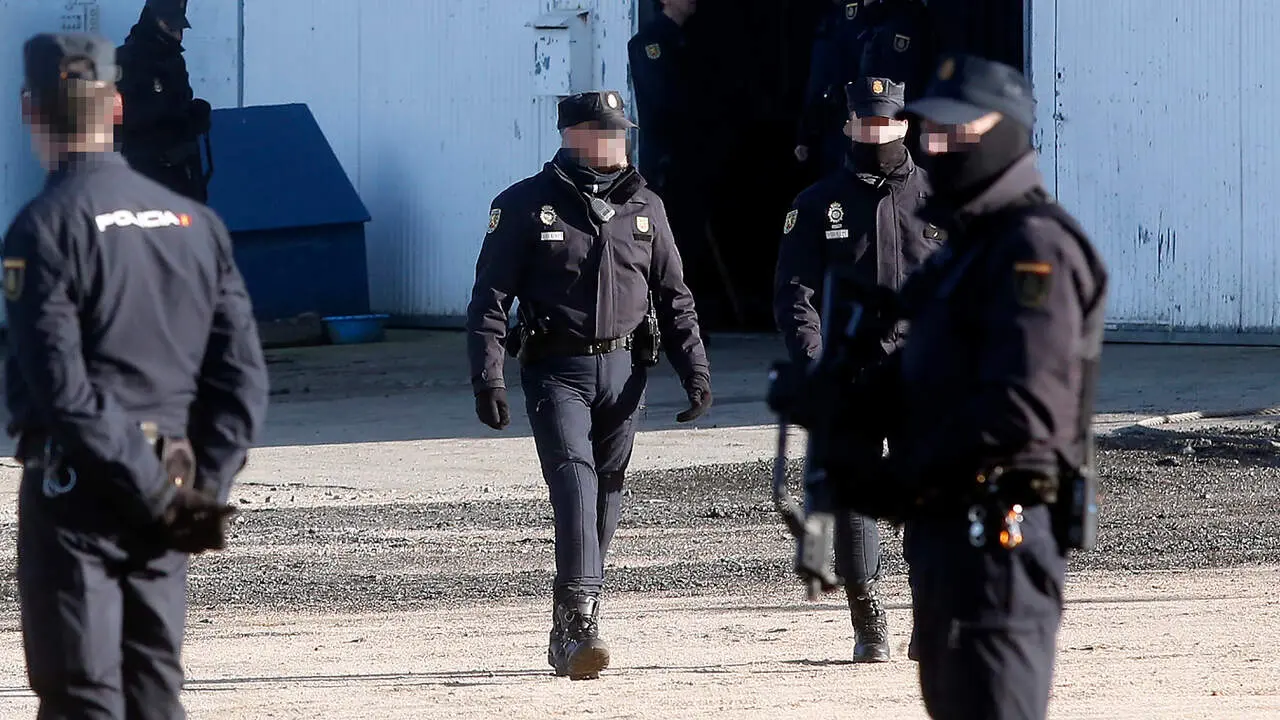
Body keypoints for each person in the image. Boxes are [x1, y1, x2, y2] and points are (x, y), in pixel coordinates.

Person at [5, 32, 269, 718]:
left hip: (79, 496)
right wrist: (196, 487)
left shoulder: (44, 228)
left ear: (32, 110)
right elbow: (241, 382)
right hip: (172, 491)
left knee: (81, 695)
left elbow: (60, 389)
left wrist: (145, 481)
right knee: (155, 686)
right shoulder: (195, 224)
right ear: (117, 107)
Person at [465, 91, 712, 681]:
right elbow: (491, 298)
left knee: (606, 493)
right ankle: (581, 621)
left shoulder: (645, 205)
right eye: (603, 132)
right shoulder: (525, 205)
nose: (615, 143)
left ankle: (569, 620)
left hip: (625, 372)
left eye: (621, 132)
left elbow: (675, 298)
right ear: (571, 134)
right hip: (557, 370)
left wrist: (695, 370)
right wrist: (487, 376)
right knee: (574, 481)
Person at [892, 54, 1108, 718]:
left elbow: (1025, 408)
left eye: (961, 130)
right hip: (947, 536)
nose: (940, 146)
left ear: (1008, 131)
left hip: (1000, 538)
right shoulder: (963, 249)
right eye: (929, 131)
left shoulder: (1032, 246)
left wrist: (916, 457)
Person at [774, 75, 941, 662]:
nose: (875, 133)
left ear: (904, 124)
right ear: (849, 125)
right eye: (864, 123)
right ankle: (868, 619)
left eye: (885, 123)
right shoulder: (817, 204)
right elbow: (796, 296)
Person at [628, 0, 726, 332]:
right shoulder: (651, 42)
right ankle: (661, 319)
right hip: (670, 160)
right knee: (667, 242)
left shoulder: (692, 40)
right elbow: (665, 103)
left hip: (693, 159)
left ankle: (689, 319)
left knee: (692, 239)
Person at [795, 0, 933, 175]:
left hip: (896, 135)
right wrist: (806, 132)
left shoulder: (914, 18)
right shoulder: (844, 15)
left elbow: (922, 81)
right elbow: (822, 76)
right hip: (843, 130)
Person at [117, 0, 212, 203]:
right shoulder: (127, 61)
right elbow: (126, 120)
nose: (177, 35)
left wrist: (194, 116)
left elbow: (181, 103)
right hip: (145, 179)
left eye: (179, 28)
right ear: (153, 21)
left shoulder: (174, 60)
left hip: (182, 177)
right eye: (170, 27)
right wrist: (177, 118)